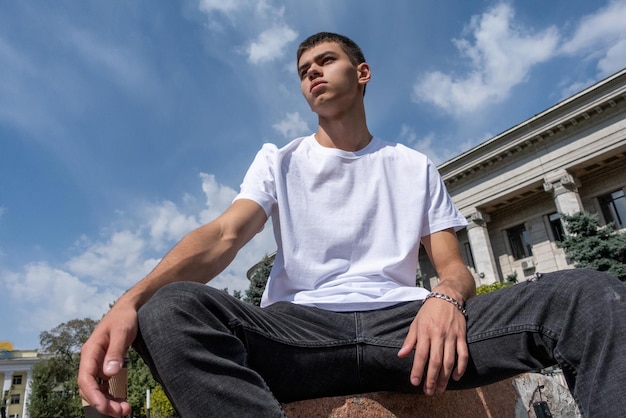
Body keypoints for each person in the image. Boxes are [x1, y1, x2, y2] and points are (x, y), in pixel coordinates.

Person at [78, 32, 626, 417]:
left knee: (589, 294)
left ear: (361, 73)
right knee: (170, 307)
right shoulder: (279, 159)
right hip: (298, 334)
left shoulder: (412, 165)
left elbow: (456, 270)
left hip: (407, 333)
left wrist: (446, 299)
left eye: (325, 60)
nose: (311, 71)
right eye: (303, 70)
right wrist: (132, 300)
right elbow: (224, 235)